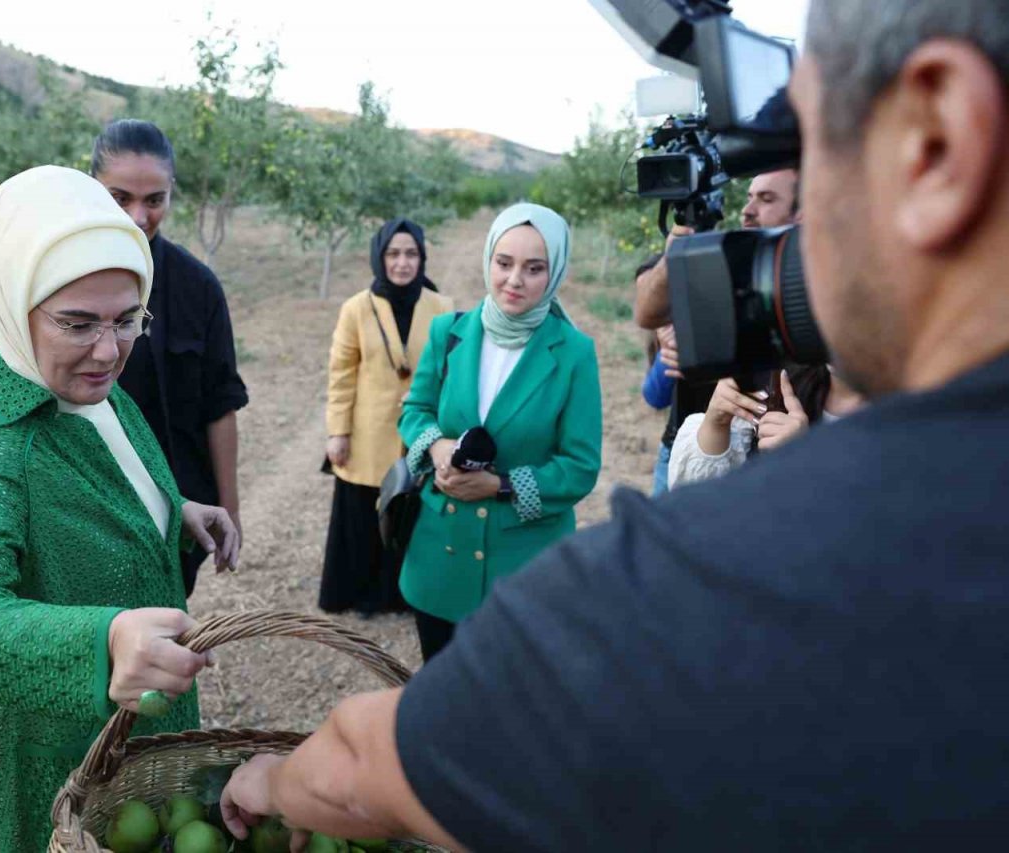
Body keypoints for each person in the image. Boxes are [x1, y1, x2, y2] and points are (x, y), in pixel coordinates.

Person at [217, 1, 1009, 848]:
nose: (786, 233)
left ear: (934, 140)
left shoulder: (722, 577)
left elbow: (385, 764)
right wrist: (436, 447)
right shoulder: (452, 332)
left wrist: (274, 778)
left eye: (813, 151)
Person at [0, 166, 239, 853]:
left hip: (119, 730)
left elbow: (98, 477)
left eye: (128, 319)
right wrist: (102, 643)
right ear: (13, 300)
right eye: (77, 322)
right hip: (42, 752)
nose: (109, 349)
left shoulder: (99, 394)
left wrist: (172, 506)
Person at [395, 203, 602, 660]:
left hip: (524, 568)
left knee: (509, 705)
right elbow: (415, 411)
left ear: (556, 271)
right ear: (488, 259)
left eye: (534, 268)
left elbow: (580, 466)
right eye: (504, 263)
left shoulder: (573, 353)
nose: (514, 280)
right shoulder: (448, 332)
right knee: (441, 691)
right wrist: (438, 448)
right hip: (440, 557)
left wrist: (501, 485)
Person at [91, 119, 249, 597]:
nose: (138, 216)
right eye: (120, 198)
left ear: (171, 193)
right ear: (90, 186)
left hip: (183, 510)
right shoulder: (61, 278)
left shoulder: (198, 288)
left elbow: (219, 404)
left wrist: (231, 508)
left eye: (154, 200)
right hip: (91, 508)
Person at [637, 169, 802, 495]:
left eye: (766, 199)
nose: (747, 210)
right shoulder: (718, 263)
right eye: (749, 196)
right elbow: (646, 312)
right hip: (691, 452)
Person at [321, 219, 454, 616]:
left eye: (411, 253)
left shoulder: (442, 308)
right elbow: (342, 373)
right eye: (393, 254)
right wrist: (337, 431)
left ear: (422, 258)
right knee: (363, 515)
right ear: (379, 257)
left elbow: (451, 371)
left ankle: (402, 596)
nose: (402, 262)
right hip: (367, 433)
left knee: (411, 512)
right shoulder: (356, 308)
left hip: (421, 432)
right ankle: (360, 596)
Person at [668, 363, 865, 488]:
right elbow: (696, 500)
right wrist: (717, 422)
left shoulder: (892, 418)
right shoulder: (782, 376)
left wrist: (805, 457)